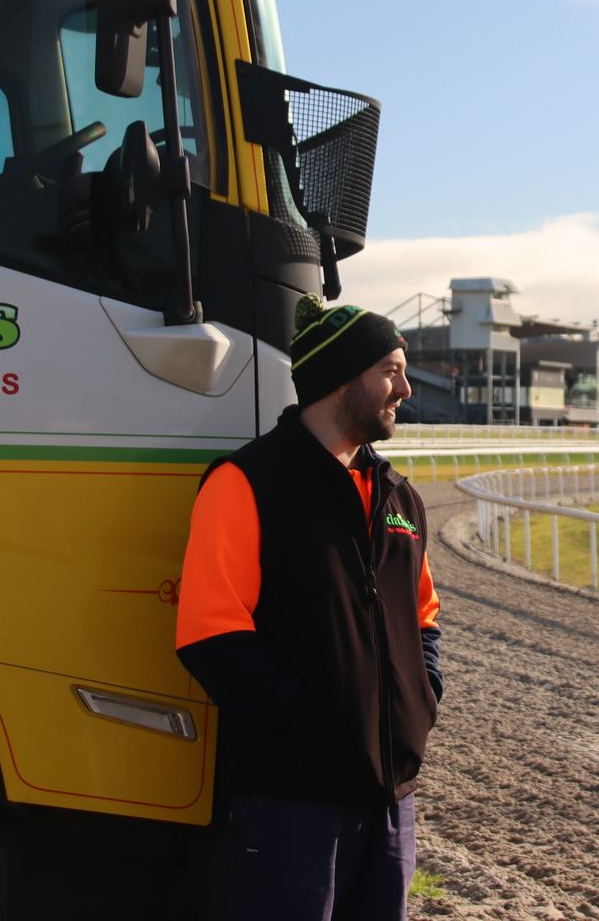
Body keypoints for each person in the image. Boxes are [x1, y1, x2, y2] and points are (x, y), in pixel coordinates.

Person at [176, 294, 443, 921]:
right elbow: (209, 635)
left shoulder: (399, 495)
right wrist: (313, 724)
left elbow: (424, 617)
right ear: (341, 378)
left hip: (389, 802)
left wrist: (421, 700)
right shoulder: (246, 484)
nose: (406, 388)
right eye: (391, 370)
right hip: (290, 805)